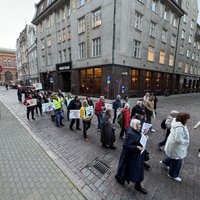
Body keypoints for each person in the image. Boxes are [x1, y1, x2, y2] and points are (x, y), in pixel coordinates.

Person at [115, 119, 148, 194]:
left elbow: (139, 139)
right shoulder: (130, 133)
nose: (140, 125)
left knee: (137, 170)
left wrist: (145, 137)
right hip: (131, 157)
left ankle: (137, 185)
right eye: (139, 124)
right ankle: (121, 178)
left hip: (137, 156)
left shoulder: (137, 131)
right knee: (127, 169)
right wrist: (136, 147)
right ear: (135, 125)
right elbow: (126, 145)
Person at [159, 112, 190, 182]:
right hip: (177, 146)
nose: (188, 120)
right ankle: (172, 174)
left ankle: (165, 162)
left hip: (173, 145)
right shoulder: (179, 128)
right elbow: (178, 139)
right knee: (178, 160)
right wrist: (186, 141)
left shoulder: (176, 122)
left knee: (172, 155)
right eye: (187, 119)